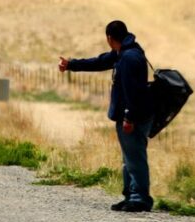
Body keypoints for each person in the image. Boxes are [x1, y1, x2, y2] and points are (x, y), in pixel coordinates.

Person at [58, 20, 153, 212]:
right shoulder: (124, 52)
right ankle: (130, 196)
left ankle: (140, 199)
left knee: (135, 158)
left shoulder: (128, 58)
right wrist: (71, 65)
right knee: (129, 158)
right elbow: (99, 62)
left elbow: (132, 92)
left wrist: (129, 118)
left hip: (133, 117)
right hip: (132, 115)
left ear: (109, 38)